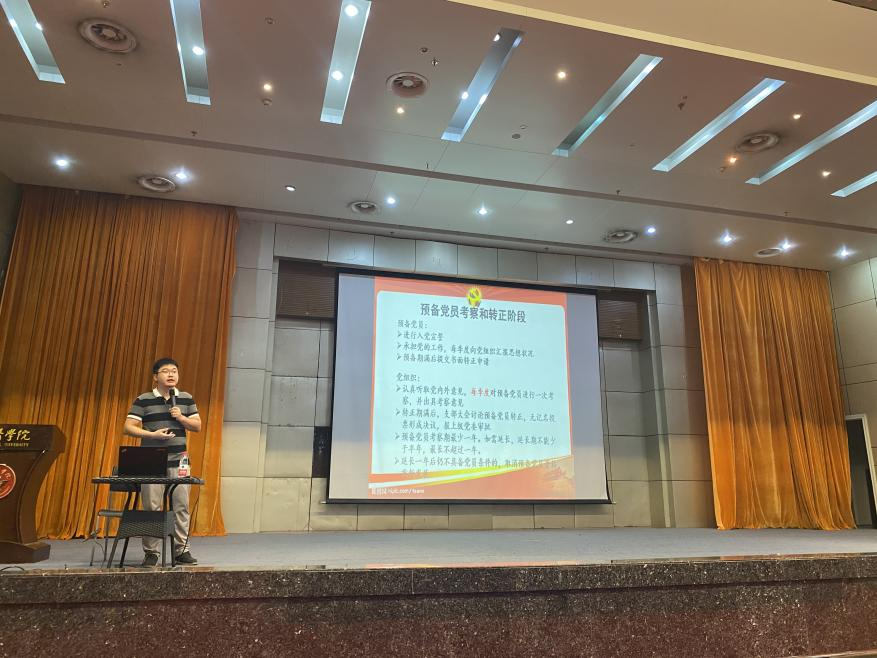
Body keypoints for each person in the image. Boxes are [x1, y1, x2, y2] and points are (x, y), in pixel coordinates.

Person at [123, 357, 201, 566]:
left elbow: (197, 426)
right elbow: (128, 427)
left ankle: (182, 550)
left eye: (174, 370)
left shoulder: (185, 398)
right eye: (166, 371)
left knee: (181, 507)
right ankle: (152, 552)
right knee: (152, 507)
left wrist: (181, 418)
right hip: (151, 462)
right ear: (155, 377)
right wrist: (152, 435)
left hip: (180, 461)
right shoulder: (144, 399)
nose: (171, 374)